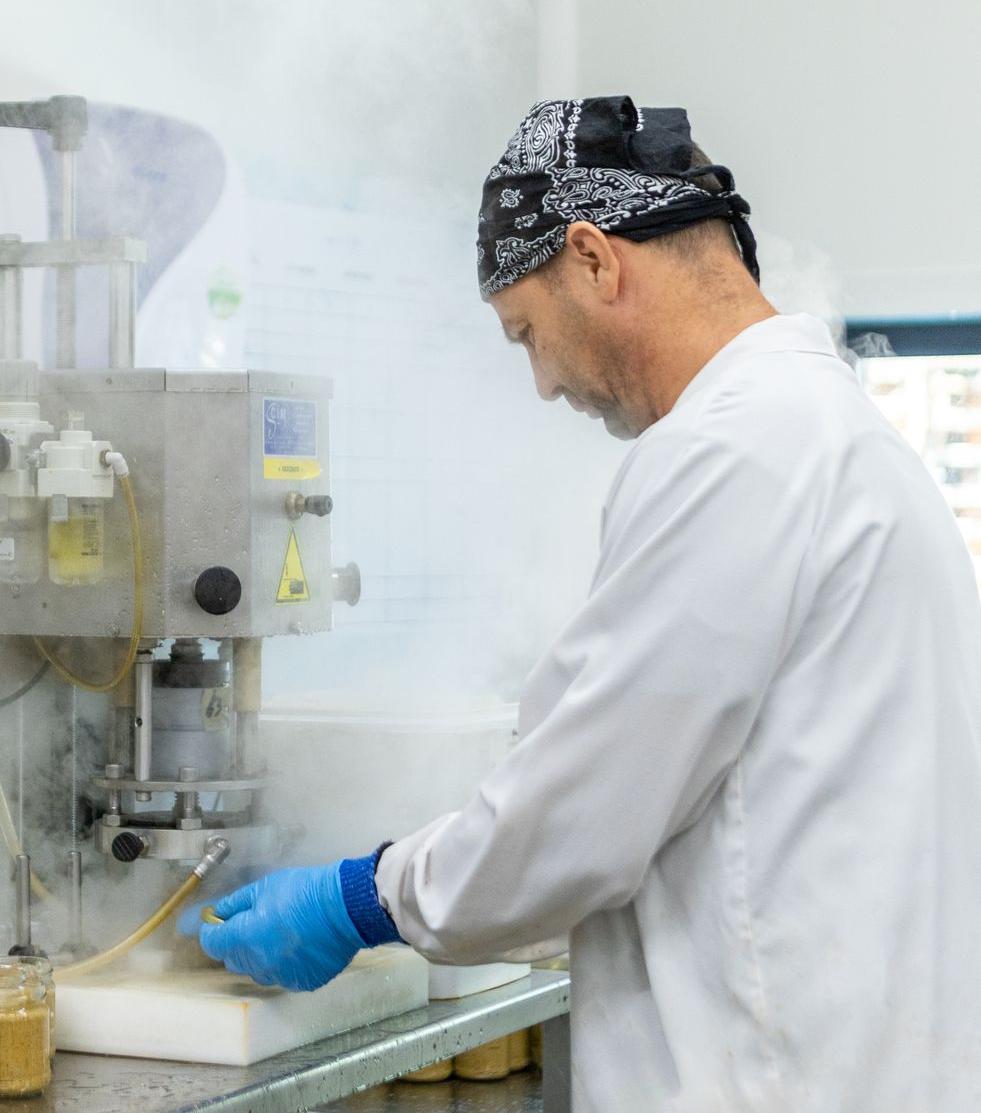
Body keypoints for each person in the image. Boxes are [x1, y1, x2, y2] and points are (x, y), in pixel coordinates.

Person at [182, 96, 981, 1110]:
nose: (544, 385)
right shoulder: (843, 434)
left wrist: (362, 898)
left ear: (595, 259)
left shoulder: (730, 452)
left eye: (526, 333)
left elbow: (578, 817)